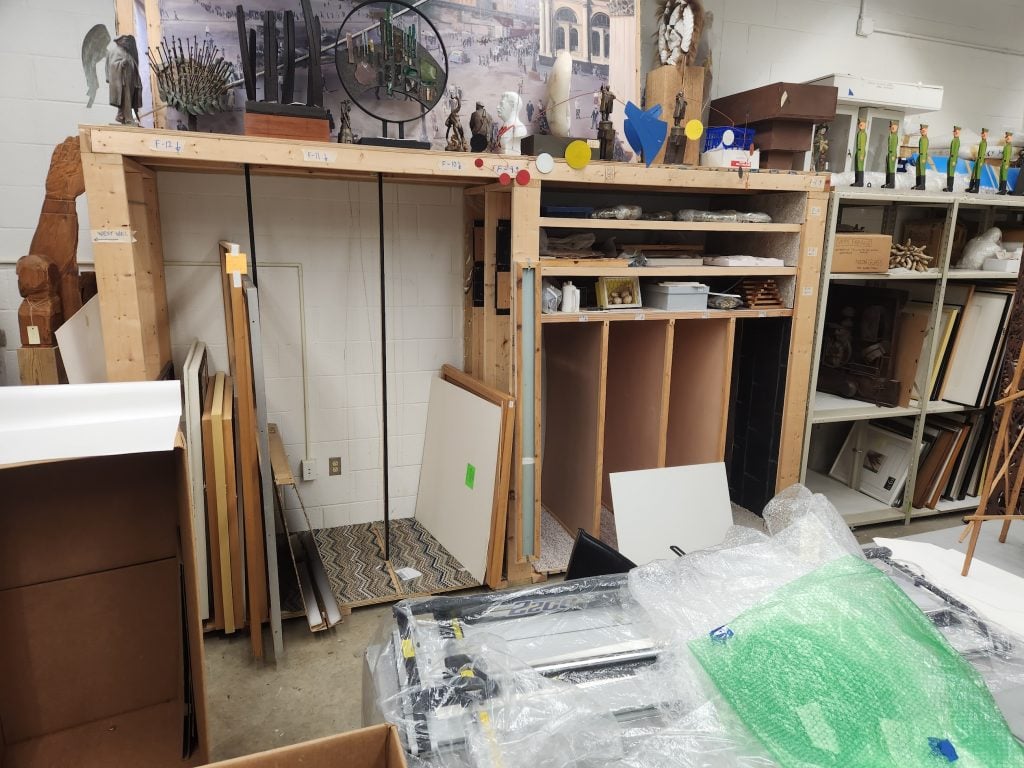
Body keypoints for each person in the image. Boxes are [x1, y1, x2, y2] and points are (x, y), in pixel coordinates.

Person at [968, 127, 988, 193]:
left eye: (984, 134)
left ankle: (976, 189)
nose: (983, 135)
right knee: (974, 173)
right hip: (978, 159)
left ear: (986, 134)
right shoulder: (982, 142)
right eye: (982, 133)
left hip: (980, 160)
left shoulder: (984, 143)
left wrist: (981, 161)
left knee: (978, 174)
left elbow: (983, 153)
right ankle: (971, 187)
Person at [881, 120, 899, 189]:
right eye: (891, 126)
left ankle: (891, 184)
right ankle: (888, 183)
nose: (892, 127)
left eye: (894, 126)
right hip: (889, 154)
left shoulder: (894, 136)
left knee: (891, 169)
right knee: (888, 169)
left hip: (892, 154)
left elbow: (894, 146)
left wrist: (893, 155)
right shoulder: (890, 135)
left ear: (897, 127)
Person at [944, 126, 960, 192]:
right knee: (949, 173)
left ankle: (950, 188)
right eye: (954, 132)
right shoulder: (954, 140)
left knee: (951, 173)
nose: (955, 133)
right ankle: (948, 187)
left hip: (953, 159)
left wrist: (954, 160)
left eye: (956, 132)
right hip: (950, 158)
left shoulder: (957, 141)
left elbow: (956, 151)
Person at [912, 124, 928, 190]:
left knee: (922, 170)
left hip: (923, 156)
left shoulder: (925, 139)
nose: (922, 131)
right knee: (918, 170)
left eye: (923, 130)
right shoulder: (922, 138)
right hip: (920, 155)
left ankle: (922, 185)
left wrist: (924, 158)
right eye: (921, 130)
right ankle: (918, 184)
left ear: (926, 130)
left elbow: (925, 149)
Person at [851, 118, 866, 187]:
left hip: (861, 151)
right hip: (858, 151)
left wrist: (862, 154)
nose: (859, 125)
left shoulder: (863, 134)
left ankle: (860, 182)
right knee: (857, 166)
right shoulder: (859, 133)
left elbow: (863, 145)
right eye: (859, 123)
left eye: (861, 124)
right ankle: (857, 181)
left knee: (860, 167)